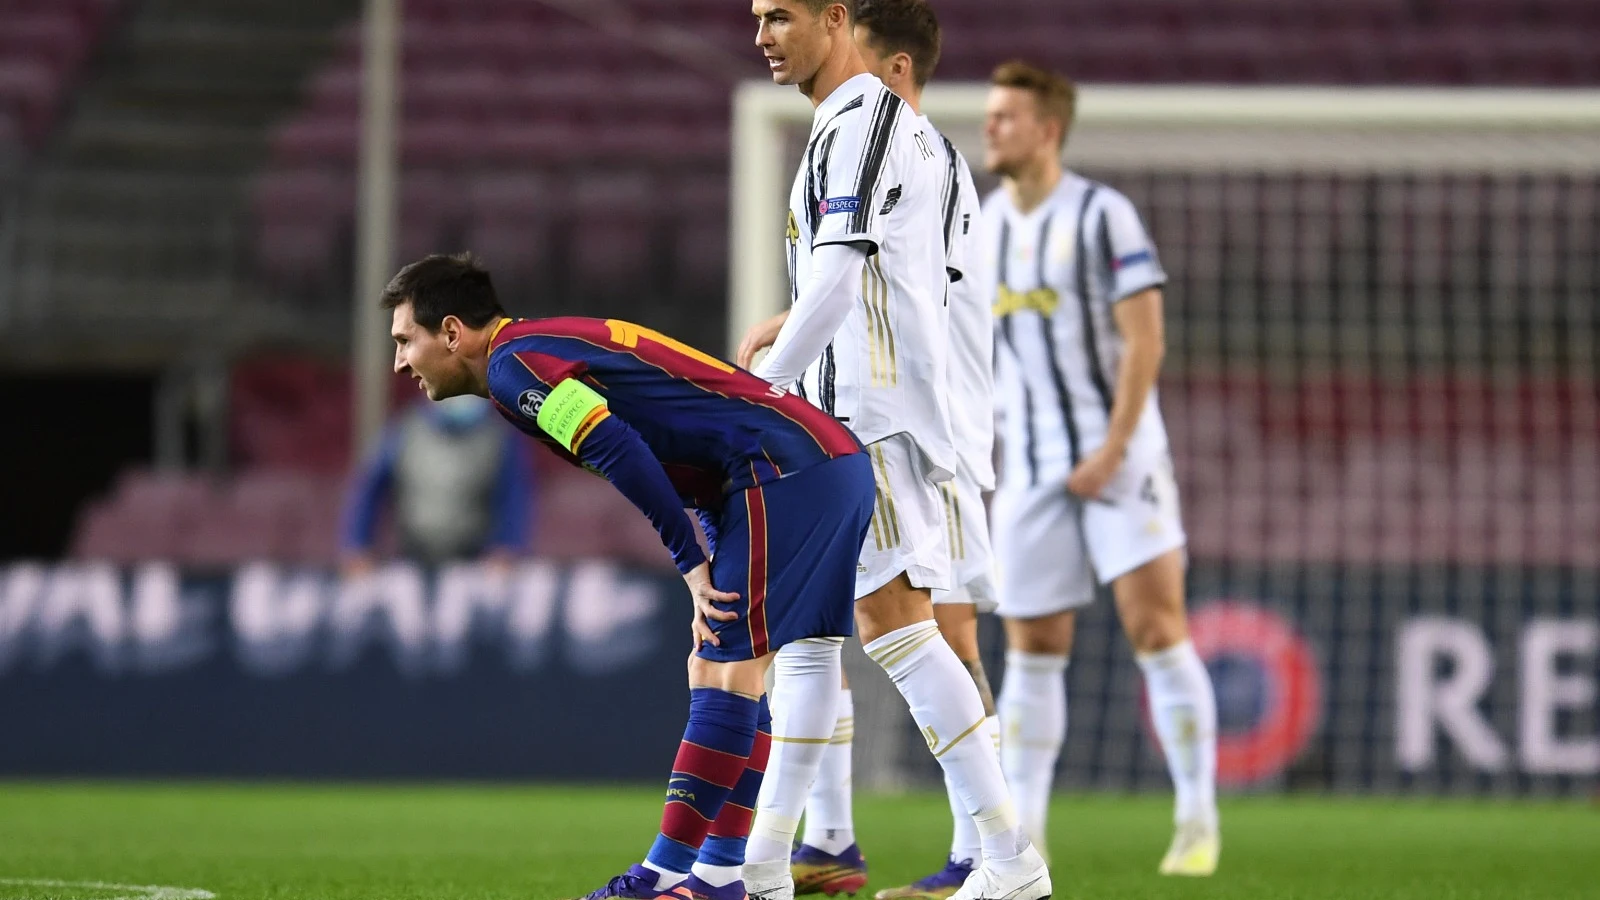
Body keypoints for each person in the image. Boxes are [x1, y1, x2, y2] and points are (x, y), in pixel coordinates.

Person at [382, 252, 877, 900]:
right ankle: (720, 877)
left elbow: (617, 447)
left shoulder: (513, 367)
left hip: (782, 468)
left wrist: (690, 563)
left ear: (450, 331)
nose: (399, 363)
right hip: (799, 465)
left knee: (727, 668)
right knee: (722, 666)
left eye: (404, 341)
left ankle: (663, 875)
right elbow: (669, 429)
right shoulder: (535, 349)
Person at [737, 3, 1047, 900]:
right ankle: (778, 864)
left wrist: (766, 393)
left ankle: (1005, 858)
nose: (762, 33)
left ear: (839, 21)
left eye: (781, 15)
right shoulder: (864, 129)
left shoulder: (868, 120)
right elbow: (875, 277)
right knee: (809, 635)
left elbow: (843, 280)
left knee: (903, 630)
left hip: (866, 415)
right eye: (755, 16)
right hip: (862, 409)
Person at [981, 61, 1221, 876]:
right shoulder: (986, 225)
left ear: (1047, 130)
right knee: (1034, 644)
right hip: (1032, 463)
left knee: (1156, 627)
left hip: (1119, 456)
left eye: (1007, 116)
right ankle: (1029, 836)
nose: (990, 128)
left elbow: (1145, 338)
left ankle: (1195, 819)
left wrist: (1114, 449)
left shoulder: (1102, 215)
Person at [339, 393, 534, 571]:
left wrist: (507, 547)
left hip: (474, 563)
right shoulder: (406, 429)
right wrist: (357, 545)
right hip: (412, 556)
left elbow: (514, 496)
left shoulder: (499, 436)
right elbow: (369, 490)